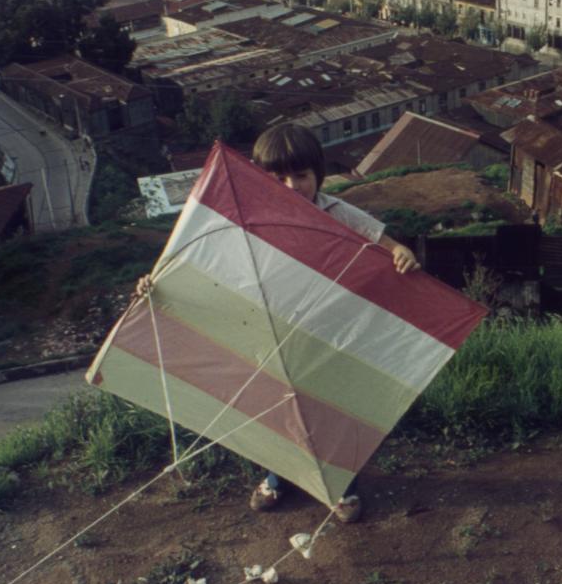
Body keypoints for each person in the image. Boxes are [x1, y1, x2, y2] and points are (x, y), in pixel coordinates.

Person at [136, 124, 419, 524]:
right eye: (278, 177)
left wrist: (399, 252)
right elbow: (197, 259)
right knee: (277, 411)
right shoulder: (247, 215)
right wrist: (155, 283)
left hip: (325, 334)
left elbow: (380, 238)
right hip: (270, 332)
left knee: (332, 415)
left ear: (318, 174)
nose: (291, 186)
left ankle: (343, 486)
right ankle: (276, 476)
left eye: (301, 176)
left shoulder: (335, 212)